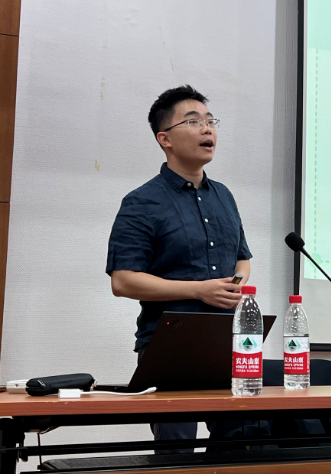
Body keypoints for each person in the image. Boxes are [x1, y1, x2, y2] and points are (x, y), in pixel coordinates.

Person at [106, 84, 252, 452]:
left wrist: (233, 286)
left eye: (211, 121)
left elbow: (242, 258)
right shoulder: (142, 202)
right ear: (165, 139)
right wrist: (199, 290)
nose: (207, 129)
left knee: (240, 444)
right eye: (193, 121)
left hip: (226, 339)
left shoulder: (224, 196)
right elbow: (123, 280)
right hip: (169, 344)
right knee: (176, 454)